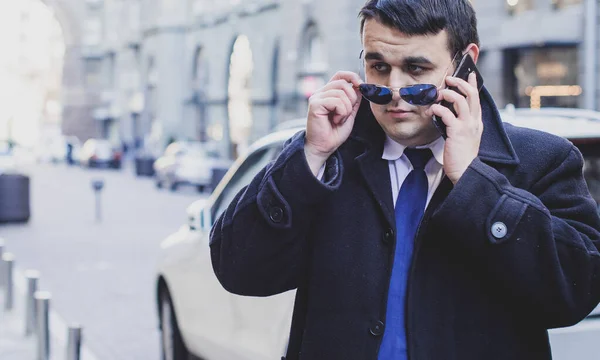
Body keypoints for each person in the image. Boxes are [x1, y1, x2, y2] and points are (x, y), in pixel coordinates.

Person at [210, 0, 600, 359]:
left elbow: (574, 294)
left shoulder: (542, 160)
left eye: (416, 70)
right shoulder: (329, 156)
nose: (395, 92)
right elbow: (239, 269)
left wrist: (473, 182)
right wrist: (309, 157)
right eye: (378, 67)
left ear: (466, 63)